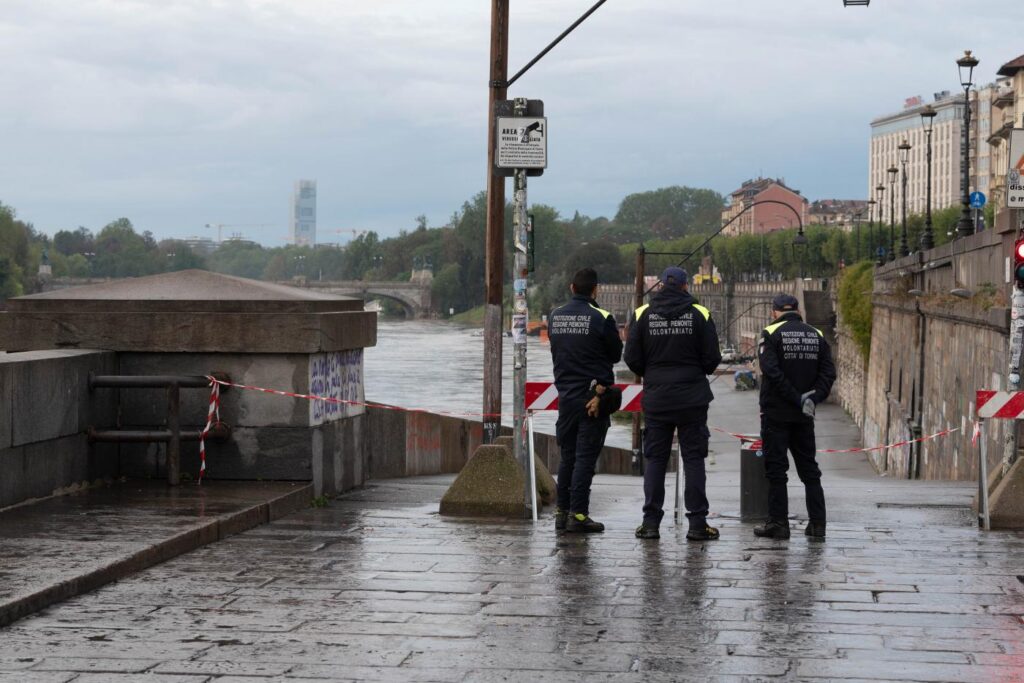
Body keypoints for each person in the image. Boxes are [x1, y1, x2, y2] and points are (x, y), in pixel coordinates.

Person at [624, 266, 722, 541]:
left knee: (655, 459)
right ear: (684, 286)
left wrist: (652, 373)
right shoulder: (700, 314)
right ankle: (698, 524)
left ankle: (651, 523)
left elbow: (631, 357)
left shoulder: (643, 314)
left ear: (660, 287)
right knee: (693, 458)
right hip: (692, 397)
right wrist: (694, 370)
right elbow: (712, 358)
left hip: (657, 397)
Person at [754, 293, 837, 540]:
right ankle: (817, 524)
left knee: (777, 471)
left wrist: (794, 397)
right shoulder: (817, 335)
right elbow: (828, 373)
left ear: (774, 311)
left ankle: (779, 524)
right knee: (810, 471)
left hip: (776, 413)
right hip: (804, 416)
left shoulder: (770, 334)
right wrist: (812, 398)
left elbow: (772, 372)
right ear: (797, 310)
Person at [548, 268, 623, 533]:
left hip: (565, 398)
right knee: (584, 459)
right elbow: (616, 354)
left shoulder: (555, 316)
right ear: (595, 290)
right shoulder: (601, 317)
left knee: (567, 458)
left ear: (571, 288)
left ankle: (561, 512)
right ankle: (579, 515)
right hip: (593, 398)